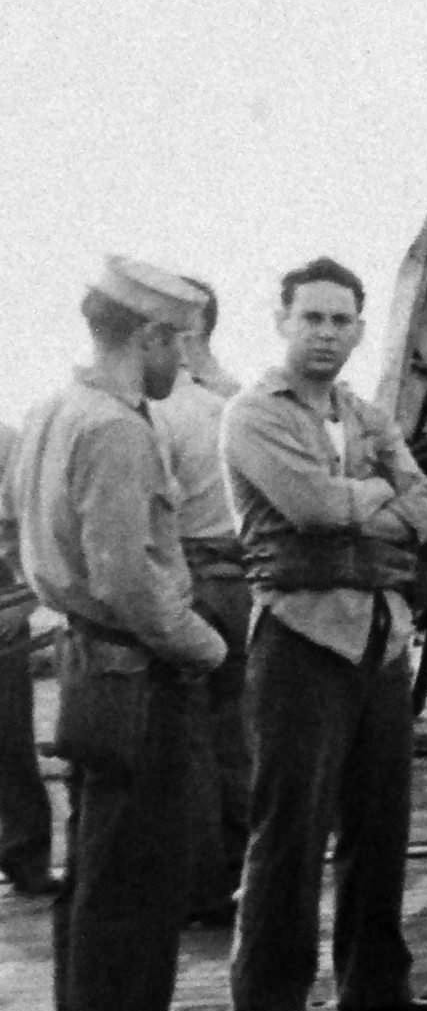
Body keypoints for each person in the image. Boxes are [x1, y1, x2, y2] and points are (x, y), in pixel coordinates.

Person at [10, 259, 228, 1011]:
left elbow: (49, 559)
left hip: (85, 665)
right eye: (184, 339)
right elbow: (127, 579)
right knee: (138, 872)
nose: (189, 359)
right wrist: (204, 644)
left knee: (98, 867)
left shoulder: (53, 413)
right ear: (151, 336)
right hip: (138, 673)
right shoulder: (116, 430)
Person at [223, 257, 427, 1011]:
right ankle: (268, 1006)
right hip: (300, 639)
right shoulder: (253, 415)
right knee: (291, 825)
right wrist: (376, 497)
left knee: (380, 825)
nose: (325, 333)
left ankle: (375, 989)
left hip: (381, 640)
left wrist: (373, 505)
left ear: (358, 328)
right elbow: (311, 508)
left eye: (340, 319)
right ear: (282, 322)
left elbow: (426, 511)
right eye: (310, 317)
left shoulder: (364, 412)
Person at [155, 279, 250, 928]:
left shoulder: (157, 414)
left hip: (188, 581)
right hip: (244, 583)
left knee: (186, 740)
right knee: (236, 734)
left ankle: (200, 888)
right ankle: (243, 872)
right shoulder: (239, 404)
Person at [0, 422, 58, 897]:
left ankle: (25, 855)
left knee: (9, 744)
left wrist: (23, 603)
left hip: (0, 619)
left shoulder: (7, 442)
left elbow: (30, 526)